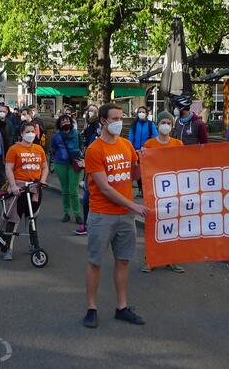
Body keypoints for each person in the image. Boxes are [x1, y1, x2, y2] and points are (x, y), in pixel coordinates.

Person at [83, 103, 149, 329]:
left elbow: (133, 174)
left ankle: (122, 307)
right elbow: (105, 188)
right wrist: (135, 206)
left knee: (123, 261)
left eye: (122, 117)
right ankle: (91, 308)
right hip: (102, 215)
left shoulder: (126, 145)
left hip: (125, 216)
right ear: (103, 121)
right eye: (115, 118)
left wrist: (143, 160)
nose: (120, 122)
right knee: (95, 262)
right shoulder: (95, 150)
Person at [139, 111, 185, 274]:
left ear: (172, 126)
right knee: (154, 225)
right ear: (157, 125)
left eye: (169, 123)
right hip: (154, 191)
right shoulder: (149, 144)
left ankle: (172, 259)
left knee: (173, 225)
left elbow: (184, 165)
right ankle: (150, 260)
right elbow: (143, 166)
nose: (165, 125)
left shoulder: (178, 144)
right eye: (163, 122)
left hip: (174, 190)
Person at [2, 122, 49, 260]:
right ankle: (8, 248)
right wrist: (13, 186)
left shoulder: (39, 149)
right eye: (27, 131)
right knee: (13, 219)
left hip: (35, 188)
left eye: (33, 131)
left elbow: (44, 167)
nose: (31, 134)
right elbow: (9, 168)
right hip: (19, 187)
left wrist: (43, 180)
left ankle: (33, 245)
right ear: (21, 133)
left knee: (32, 218)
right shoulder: (14, 149)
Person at [51, 114, 84, 224]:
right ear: (59, 124)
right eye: (62, 122)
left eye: (67, 121)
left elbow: (81, 146)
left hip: (74, 163)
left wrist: (80, 157)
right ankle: (66, 213)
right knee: (64, 190)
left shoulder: (76, 133)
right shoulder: (56, 136)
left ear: (70, 122)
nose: (65, 123)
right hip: (60, 164)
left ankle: (77, 214)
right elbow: (53, 149)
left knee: (73, 190)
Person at [76, 105, 100, 235]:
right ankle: (86, 224)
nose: (90, 112)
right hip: (90, 168)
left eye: (92, 110)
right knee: (86, 199)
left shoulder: (97, 125)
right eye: (89, 110)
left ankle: (93, 225)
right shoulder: (88, 123)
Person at [128, 106, 157, 198]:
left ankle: (147, 190)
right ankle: (141, 190)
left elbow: (155, 136)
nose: (141, 113)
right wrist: (131, 148)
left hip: (146, 151)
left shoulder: (150, 124)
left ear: (146, 113)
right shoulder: (134, 124)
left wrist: (148, 146)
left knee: (146, 171)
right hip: (136, 151)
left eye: (143, 112)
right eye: (140, 111)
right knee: (138, 171)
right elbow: (131, 137)